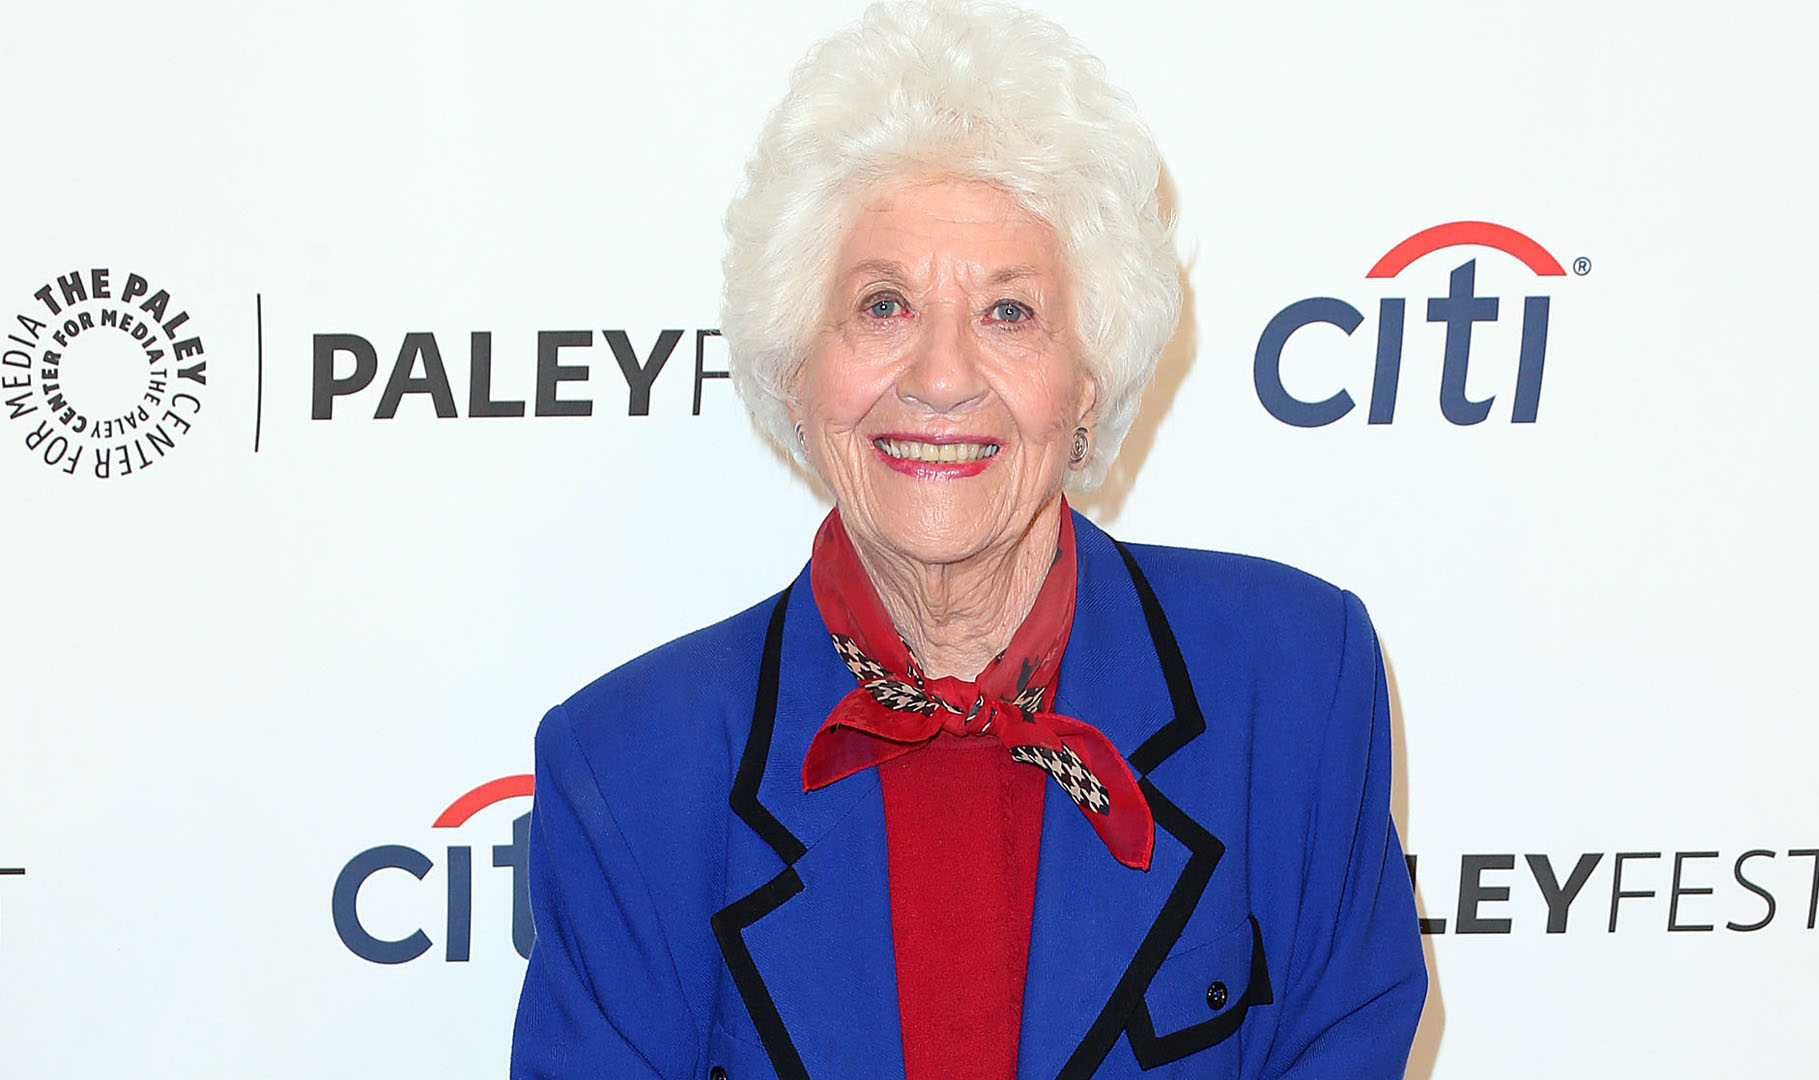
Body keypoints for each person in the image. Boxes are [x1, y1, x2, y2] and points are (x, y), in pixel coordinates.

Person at [509, 2, 1426, 1077]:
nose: (941, 379)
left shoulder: (1298, 684)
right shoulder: (627, 767)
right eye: (884, 304)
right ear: (799, 373)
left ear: (1086, 383)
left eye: (1009, 313)